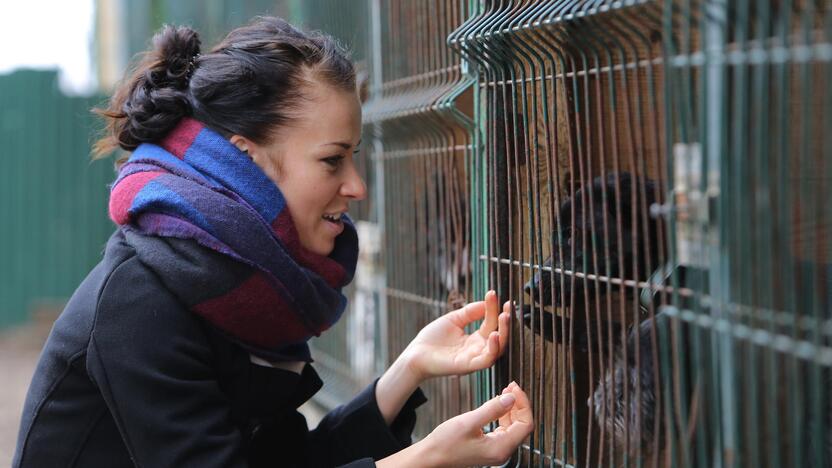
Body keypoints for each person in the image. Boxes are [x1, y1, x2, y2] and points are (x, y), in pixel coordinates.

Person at [13, 16, 533, 468]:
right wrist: (427, 456)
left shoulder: (244, 283)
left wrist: (409, 367)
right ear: (246, 157)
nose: (357, 186)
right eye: (333, 160)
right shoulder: (141, 301)